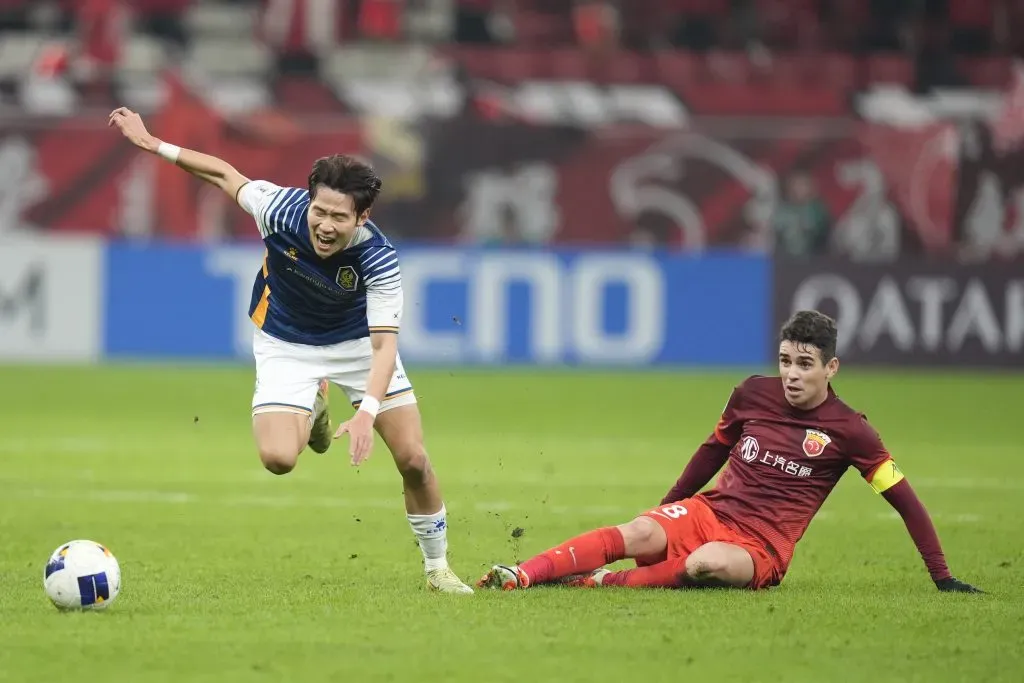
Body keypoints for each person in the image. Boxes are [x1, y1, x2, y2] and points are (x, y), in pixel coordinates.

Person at [108, 107, 473, 595]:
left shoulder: (378, 258)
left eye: (338, 217)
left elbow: (385, 346)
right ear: (308, 200)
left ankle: (437, 570)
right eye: (318, 210)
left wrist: (366, 412)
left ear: (362, 217)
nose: (324, 225)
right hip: (286, 343)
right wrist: (154, 143)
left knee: (413, 460)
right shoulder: (279, 209)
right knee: (279, 458)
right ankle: (315, 407)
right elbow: (222, 173)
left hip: (356, 348)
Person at [478, 310, 982, 593]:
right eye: (786, 360)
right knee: (638, 531)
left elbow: (906, 502)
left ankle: (602, 583)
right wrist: (665, 507)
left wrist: (942, 577)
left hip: (760, 547)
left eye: (805, 364)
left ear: (831, 368)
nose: (791, 374)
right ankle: (522, 574)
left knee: (706, 564)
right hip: (708, 511)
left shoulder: (853, 432)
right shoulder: (751, 394)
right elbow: (710, 453)